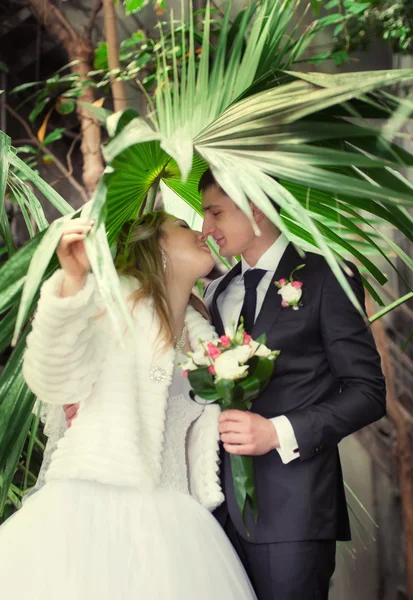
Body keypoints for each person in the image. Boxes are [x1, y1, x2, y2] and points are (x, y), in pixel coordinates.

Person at [0, 211, 256, 600]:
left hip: (178, 521)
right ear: (156, 244)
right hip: (91, 507)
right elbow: (53, 378)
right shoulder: (109, 303)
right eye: (184, 227)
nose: (202, 231)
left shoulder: (204, 336)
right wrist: (71, 282)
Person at [199, 168, 387, 600]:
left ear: (255, 209)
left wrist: (277, 431)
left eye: (215, 213)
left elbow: (366, 391)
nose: (207, 229)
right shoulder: (217, 293)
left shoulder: (327, 277)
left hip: (293, 512)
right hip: (213, 514)